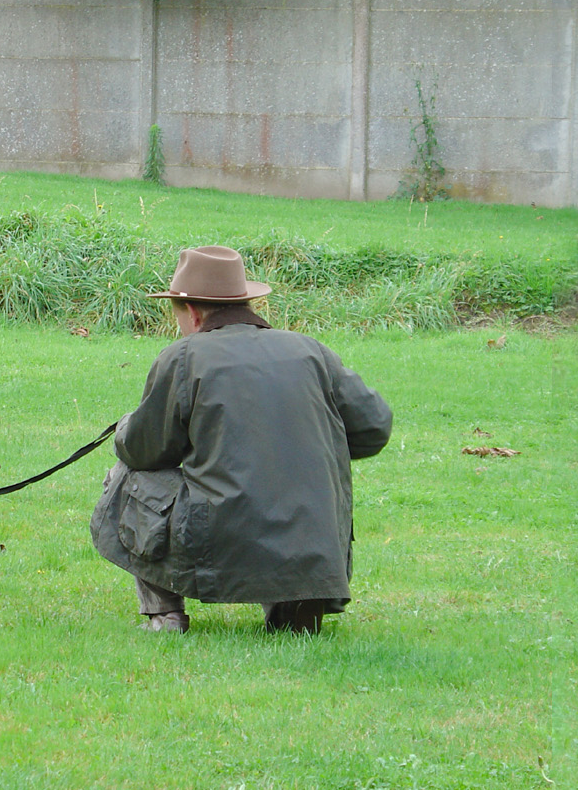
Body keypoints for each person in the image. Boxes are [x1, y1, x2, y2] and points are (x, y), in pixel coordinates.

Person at [91, 246, 392, 634]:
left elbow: (146, 450)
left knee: (124, 474)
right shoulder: (311, 351)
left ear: (194, 313)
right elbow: (374, 427)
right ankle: (297, 607)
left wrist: (125, 428)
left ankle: (164, 613)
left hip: (218, 548)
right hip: (312, 550)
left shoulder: (185, 356)